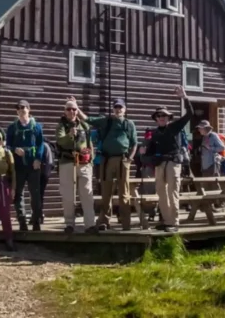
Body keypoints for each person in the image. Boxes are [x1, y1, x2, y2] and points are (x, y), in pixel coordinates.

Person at [77, 98, 138, 231]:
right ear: (113, 109)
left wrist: (130, 159)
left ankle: (126, 223)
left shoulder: (129, 124)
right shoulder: (106, 121)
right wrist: (76, 107)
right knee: (106, 191)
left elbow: (134, 144)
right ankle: (105, 221)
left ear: (124, 109)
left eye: (120, 107)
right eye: (116, 107)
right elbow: (88, 119)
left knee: (124, 193)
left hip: (123, 160)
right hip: (107, 160)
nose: (118, 109)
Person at [146, 86, 193, 232]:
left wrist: (184, 97)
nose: (161, 118)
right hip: (160, 165)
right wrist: (146, 154)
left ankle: (174, 223)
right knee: (161, 193)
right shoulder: (154, 133)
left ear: (168, 118)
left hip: (173, 162)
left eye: (164, 116)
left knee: (173, 192)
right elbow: (152, 151)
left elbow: (190, 114)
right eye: (159, 116)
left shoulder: (174, 127)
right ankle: (167, 221)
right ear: (156, 118)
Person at [55, 99, 96, 234]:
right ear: (65, 111)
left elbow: (90, 144)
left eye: (74, 109)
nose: (71, 112)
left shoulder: (84, 125)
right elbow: (60, 141)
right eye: (69, 109)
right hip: (67, 162)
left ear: (77, 111)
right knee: (68, 196)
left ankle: (90, 225)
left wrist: (91, 159)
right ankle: (69, 224)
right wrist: (69, 135)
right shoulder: (61, 125)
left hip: (84, 164)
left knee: (87, 194)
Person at [6, 100, 45, 232]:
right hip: (18, 165)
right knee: (18, 194)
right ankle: (22, 221)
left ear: (29, 109)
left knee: (35, 193)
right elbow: (7, 146)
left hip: (33, 164)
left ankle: (36, 221)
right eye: (19, 108)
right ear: (16, 111)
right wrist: (14, 149)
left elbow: (40, 144)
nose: (21, 110)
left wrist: (38, 159)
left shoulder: (36, 126)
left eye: (24, 107)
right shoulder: (12, 127)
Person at [39, 140, 54, 225]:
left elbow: (49, 161)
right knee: (39, 194)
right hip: (45, 172)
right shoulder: (46, 145)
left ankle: (39, 215)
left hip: (42, 173)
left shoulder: (43, 145)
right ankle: (39, 214)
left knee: (38, 195)